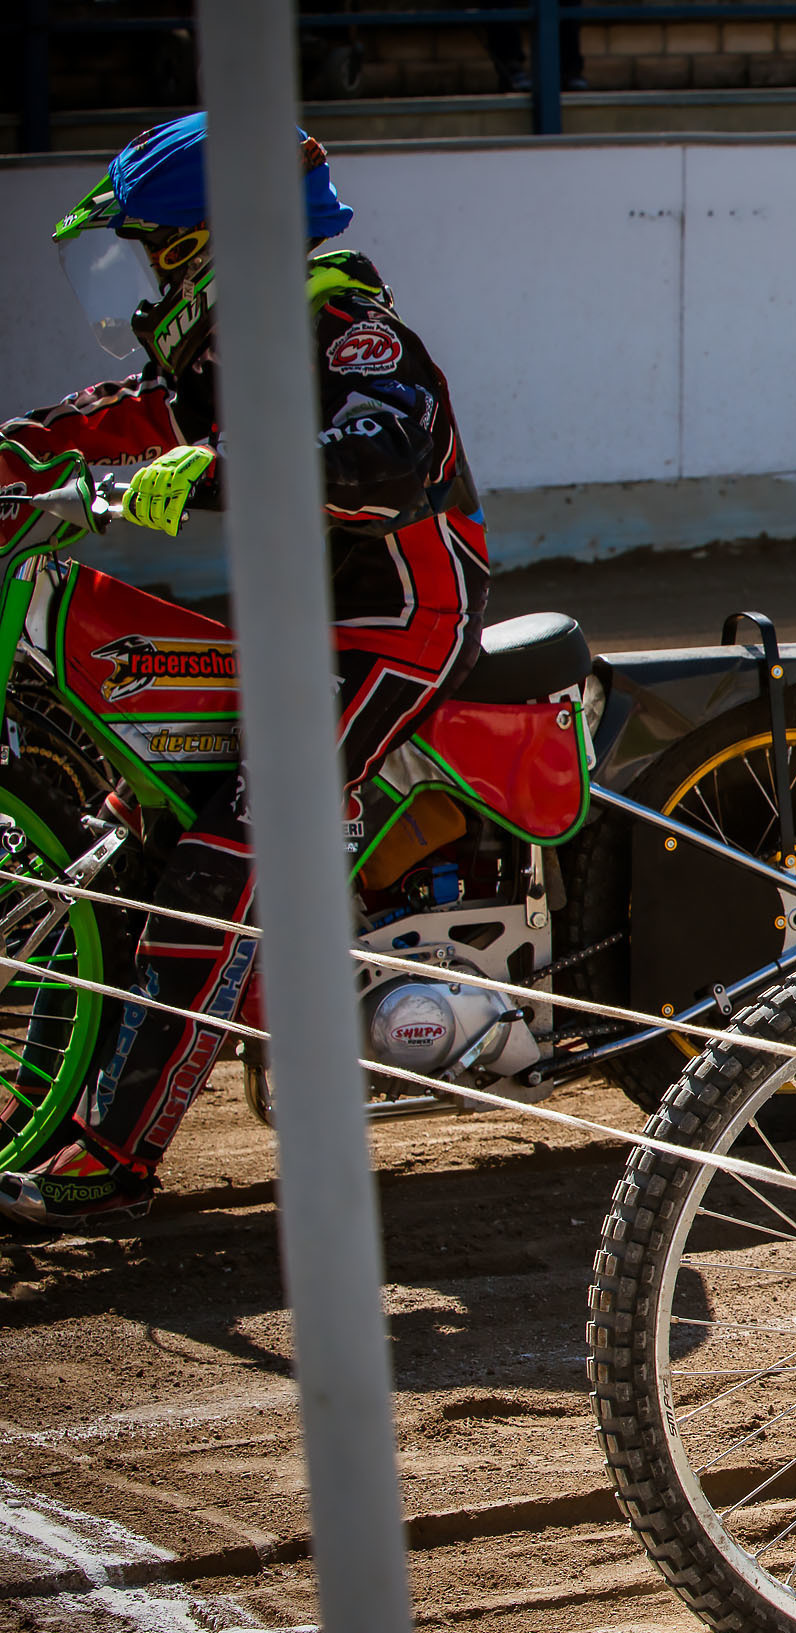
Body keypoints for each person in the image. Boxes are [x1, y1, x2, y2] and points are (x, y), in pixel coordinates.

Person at [0, 115, 488, 1229]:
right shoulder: (231, 345)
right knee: (134, 827)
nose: (134, 286)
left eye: (150, 251)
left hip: (399, 624)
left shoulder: (351, 328)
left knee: (228, 851)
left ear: (212, 242)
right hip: (292, 623)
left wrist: (209, 467)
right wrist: (16, 457)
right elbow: (112, 418)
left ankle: (115, 1157)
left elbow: (383, 455)